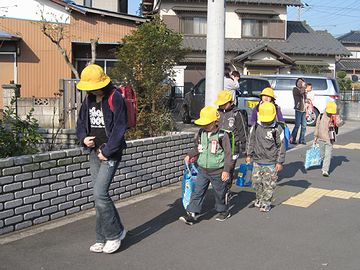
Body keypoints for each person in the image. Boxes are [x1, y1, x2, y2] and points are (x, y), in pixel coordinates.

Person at [76, 64, 127, 254]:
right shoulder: (88, 99)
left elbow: (120, 128)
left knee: (100, 193)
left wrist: (107, 150)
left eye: (90, 86)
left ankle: (114, 235)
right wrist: (83, 138)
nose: (88, 90)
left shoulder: (115, 98)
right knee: (99, 196)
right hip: (93, 151)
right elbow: (80, 122)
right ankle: (102, 237)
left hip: (110, 153)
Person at [179, 106, 232, 225]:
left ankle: (223, 211)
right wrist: (190, 155)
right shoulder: (201, 133)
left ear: (215, 122)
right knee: (198, 191)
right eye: (203, 123)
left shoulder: (222, 135)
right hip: (202, 169)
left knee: (219, 193)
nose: (205, 126)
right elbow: (198, 148)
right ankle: (192, 214)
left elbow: (228, 154)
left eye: (207, 123)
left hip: (218, 170)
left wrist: (226, 170)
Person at [246, 102, 286, 212]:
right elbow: (251, 141)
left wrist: (279, 162)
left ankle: (266, 202)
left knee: (269, 184)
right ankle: (259, 198)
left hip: (271, 161)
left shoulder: (277, 129)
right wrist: (248, 154)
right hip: (257, 160)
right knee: (256, 182)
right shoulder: (255, 127)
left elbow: (281, 146)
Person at [215, 90, 248, 201]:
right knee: (219, 168)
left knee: (228, 168)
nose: (222, 105)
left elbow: (243, 131)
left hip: (234, 146)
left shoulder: (236, 113)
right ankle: (220, 189)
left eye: (224, 103)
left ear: (230, 102)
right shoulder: (217, 113)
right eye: (220, 103)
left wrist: (245, 149)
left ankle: (226, 190)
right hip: (219, 146)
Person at [314, 101, 344, 177]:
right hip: (321, 137)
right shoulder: (321, 116)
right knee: (322, 155)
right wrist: (315, 136)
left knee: (328, 154)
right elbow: (317, 126)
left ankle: (325, 170)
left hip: (330, 138)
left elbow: (338, 124)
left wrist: (341, 121)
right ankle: (323, 162)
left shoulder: (335, 115)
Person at [290, 78, 307, 145]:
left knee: (304, 126)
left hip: (304, 110)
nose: (300, 83)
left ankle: (302, 139)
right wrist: (304, 87)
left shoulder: (303, 91)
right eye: (299, 82)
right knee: (297, 125)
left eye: (302, 82)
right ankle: (293, 139)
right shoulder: (295, 89)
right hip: (298, 109)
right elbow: (300, 93)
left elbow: (305, 98)